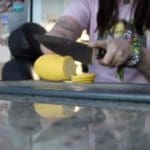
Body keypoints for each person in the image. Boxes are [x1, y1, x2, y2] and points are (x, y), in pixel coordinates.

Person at [42, 0, 150, 83]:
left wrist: (136, 54)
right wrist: (57, 36)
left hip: (143, 99)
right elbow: (65, 26)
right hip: (96, 97)